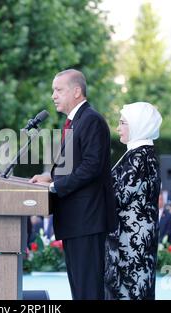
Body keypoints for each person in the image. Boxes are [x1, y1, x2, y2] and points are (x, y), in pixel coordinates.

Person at [29, 69, 116, 300]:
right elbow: (76, 165)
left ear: (77, 91)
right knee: (80, 290)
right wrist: (51, 176)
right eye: (53, 90)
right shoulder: (75, 120)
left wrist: (55, 187)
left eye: (58, 90)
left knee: (87, 290)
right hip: (76, 219)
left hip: (87, 219)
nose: (53, 96)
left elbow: (91, 167)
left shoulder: (91, 120)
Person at [105, 102, 162, 300]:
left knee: (132, 292)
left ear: (139, 124)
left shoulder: (140, 157)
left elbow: (117, 196)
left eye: (123, 123)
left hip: (132, 243)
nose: (118, 128)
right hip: (131, 239)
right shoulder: (139, 154)